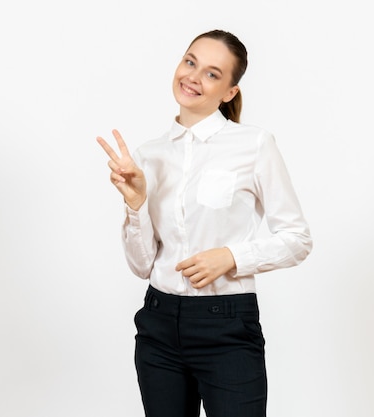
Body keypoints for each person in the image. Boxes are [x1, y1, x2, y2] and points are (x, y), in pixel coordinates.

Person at [97, 29, 312, 417]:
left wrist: (231, 257)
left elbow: (297, 238)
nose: (193, 77)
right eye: (190, 62)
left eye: (213, 73)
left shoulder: (255, 145)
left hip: (227, 327)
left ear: (229, 91)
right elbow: (142, 264)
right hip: (158, 326)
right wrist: (135, 204)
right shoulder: (148, 156)